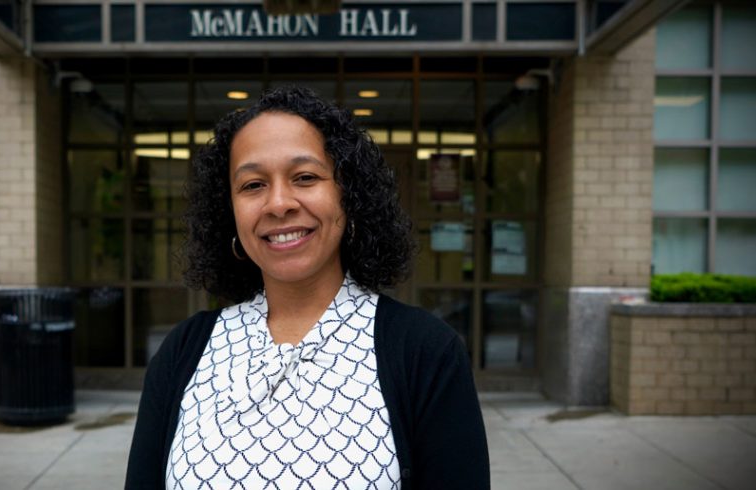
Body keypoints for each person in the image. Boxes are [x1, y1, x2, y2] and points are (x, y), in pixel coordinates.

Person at [125, 85, 489, 489]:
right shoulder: (184, 351)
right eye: (252, 185)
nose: (279, 203)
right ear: (229, 211)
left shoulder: (424, 352)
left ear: (347, 196)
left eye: (305, 177)